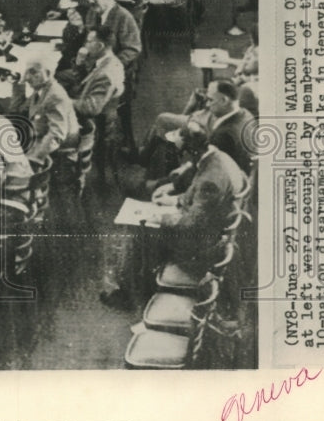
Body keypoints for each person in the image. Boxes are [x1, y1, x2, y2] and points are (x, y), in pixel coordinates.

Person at [101, 121, 246, 309]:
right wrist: (175, 201)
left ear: (189, 152)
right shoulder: (217, 158)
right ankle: (142, 285)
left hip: (201, 246)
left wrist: (159, 218)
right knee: (144, 225)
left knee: (138, 230)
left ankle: (128, 294)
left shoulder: (211, 179)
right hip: (211, 230)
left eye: (182, 152)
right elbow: (200, 198)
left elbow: (191, 224)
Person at [8, 59, 80, 164]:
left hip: (58, 152)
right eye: (27, 72)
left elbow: (56, 135)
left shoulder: (54, 95)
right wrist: (18, 84)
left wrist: (34, 159)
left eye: (33, 72)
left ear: (47, 73)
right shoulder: (41, 90)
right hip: (40, 139)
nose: (27, 77)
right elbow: (18, 111)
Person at [72, 27, 125, 120]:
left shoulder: (105, 74)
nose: (85, 45)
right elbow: (84, 80)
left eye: (88, 42)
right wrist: (79, 64)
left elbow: (91, 109)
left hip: (94, 122)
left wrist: (62, 101)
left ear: (100, 46)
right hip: (87, 99)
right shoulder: (107, 60)